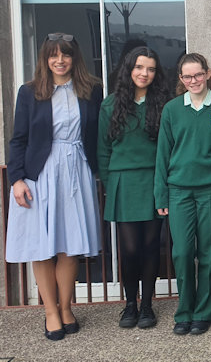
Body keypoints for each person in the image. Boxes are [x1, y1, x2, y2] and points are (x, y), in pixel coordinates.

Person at [5, 33, 103, 340]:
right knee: (42, 246)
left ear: (75, 59)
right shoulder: (30, 92)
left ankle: (65, 307)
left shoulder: (91, 90)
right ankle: (50, 312)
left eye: (66, 55)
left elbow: (98, 134)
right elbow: (18, 138)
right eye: (53, 55)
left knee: (69, 247)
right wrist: (16, 179)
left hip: (77, 170)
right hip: (40, 175)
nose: (59, 60)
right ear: (46, 60)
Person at [155, 53, 211, 335]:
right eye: (187, 76)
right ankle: (184, 310)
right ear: (181, 79)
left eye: (198, 74)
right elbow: (163, 154)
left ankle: (205, 311)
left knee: (208, 253)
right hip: (178, 192)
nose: (193, 81)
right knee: (183, 253)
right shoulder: (172, 109)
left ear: (208, 73)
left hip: (210, 191)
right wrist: (160, 194)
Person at [98, 46, 170, 329]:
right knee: (129, 249)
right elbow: (103, 151)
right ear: (129, 69)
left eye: (151, 69)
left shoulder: (164, 103)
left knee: (152, 246)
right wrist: (109, 183)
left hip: (153, 180)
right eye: (140, 67)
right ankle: (130, 304)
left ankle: (148, 306)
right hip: (123, 182)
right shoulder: (111, 104)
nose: (145, 74)